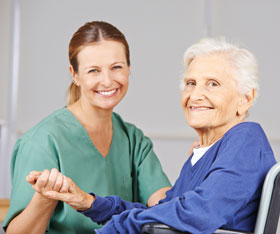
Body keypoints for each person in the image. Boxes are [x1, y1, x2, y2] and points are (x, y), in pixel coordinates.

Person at [27, 38, 276, 233]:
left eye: (213, 84)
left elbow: (199, 213)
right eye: (191, 83)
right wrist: (88, 202)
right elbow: (163, 210)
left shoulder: (245, 139)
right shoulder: (204, 152)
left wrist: (118, 227)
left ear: (246, 98)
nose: (196, 95)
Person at [3, 21, 171, 234]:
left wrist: (196, 168)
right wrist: (45, 199)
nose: (107, 80)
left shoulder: (133, 140)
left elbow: (165, 210)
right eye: (93, 71)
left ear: (129, 68)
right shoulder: (42, 141)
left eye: (116, 67)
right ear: (75, 75)